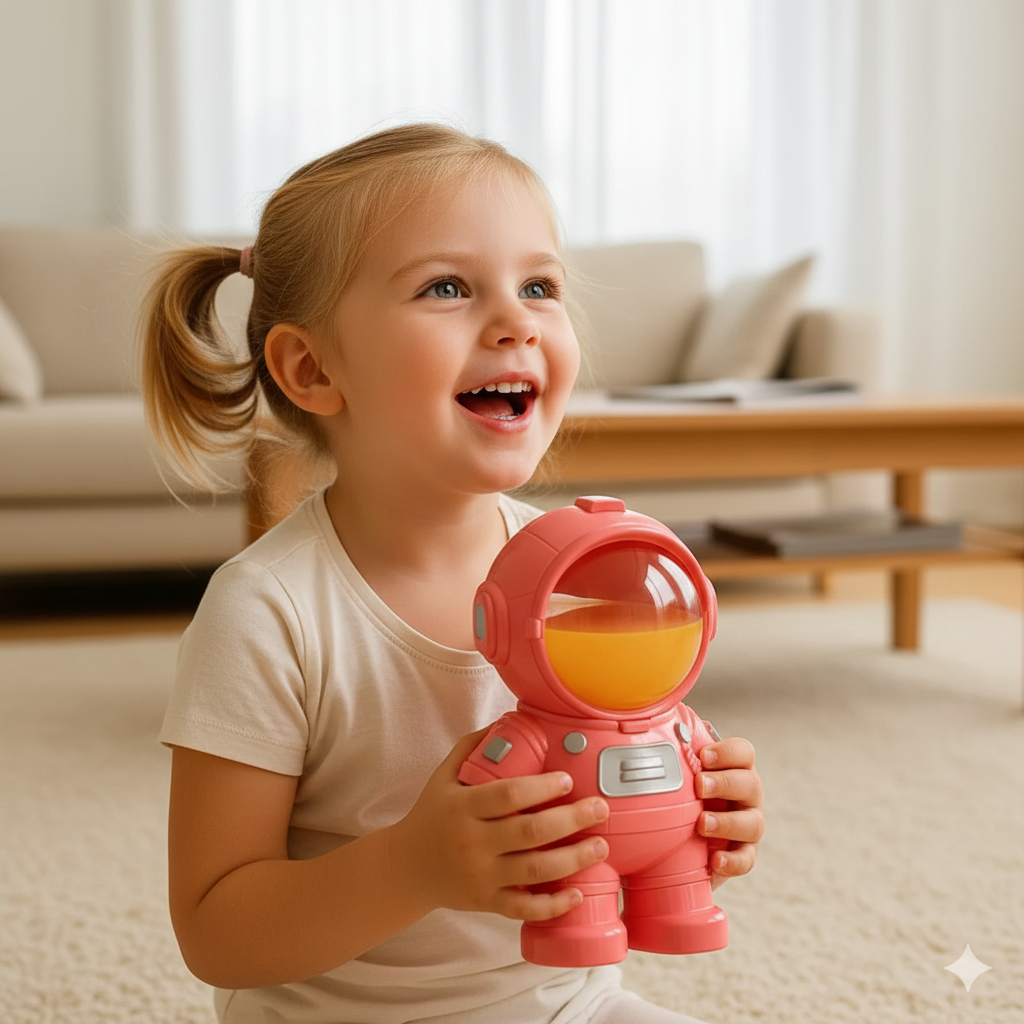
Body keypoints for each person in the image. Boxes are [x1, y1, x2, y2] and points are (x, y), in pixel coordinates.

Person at [140, 123, 765, 1024]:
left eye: (540, 286)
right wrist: (413, 866)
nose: (516, 320)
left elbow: (608, 800)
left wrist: (695, 815)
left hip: (567, 1007)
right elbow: (215, 932)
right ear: (312, 368)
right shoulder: (268, 611)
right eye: (447, 287)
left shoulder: (586, 571)